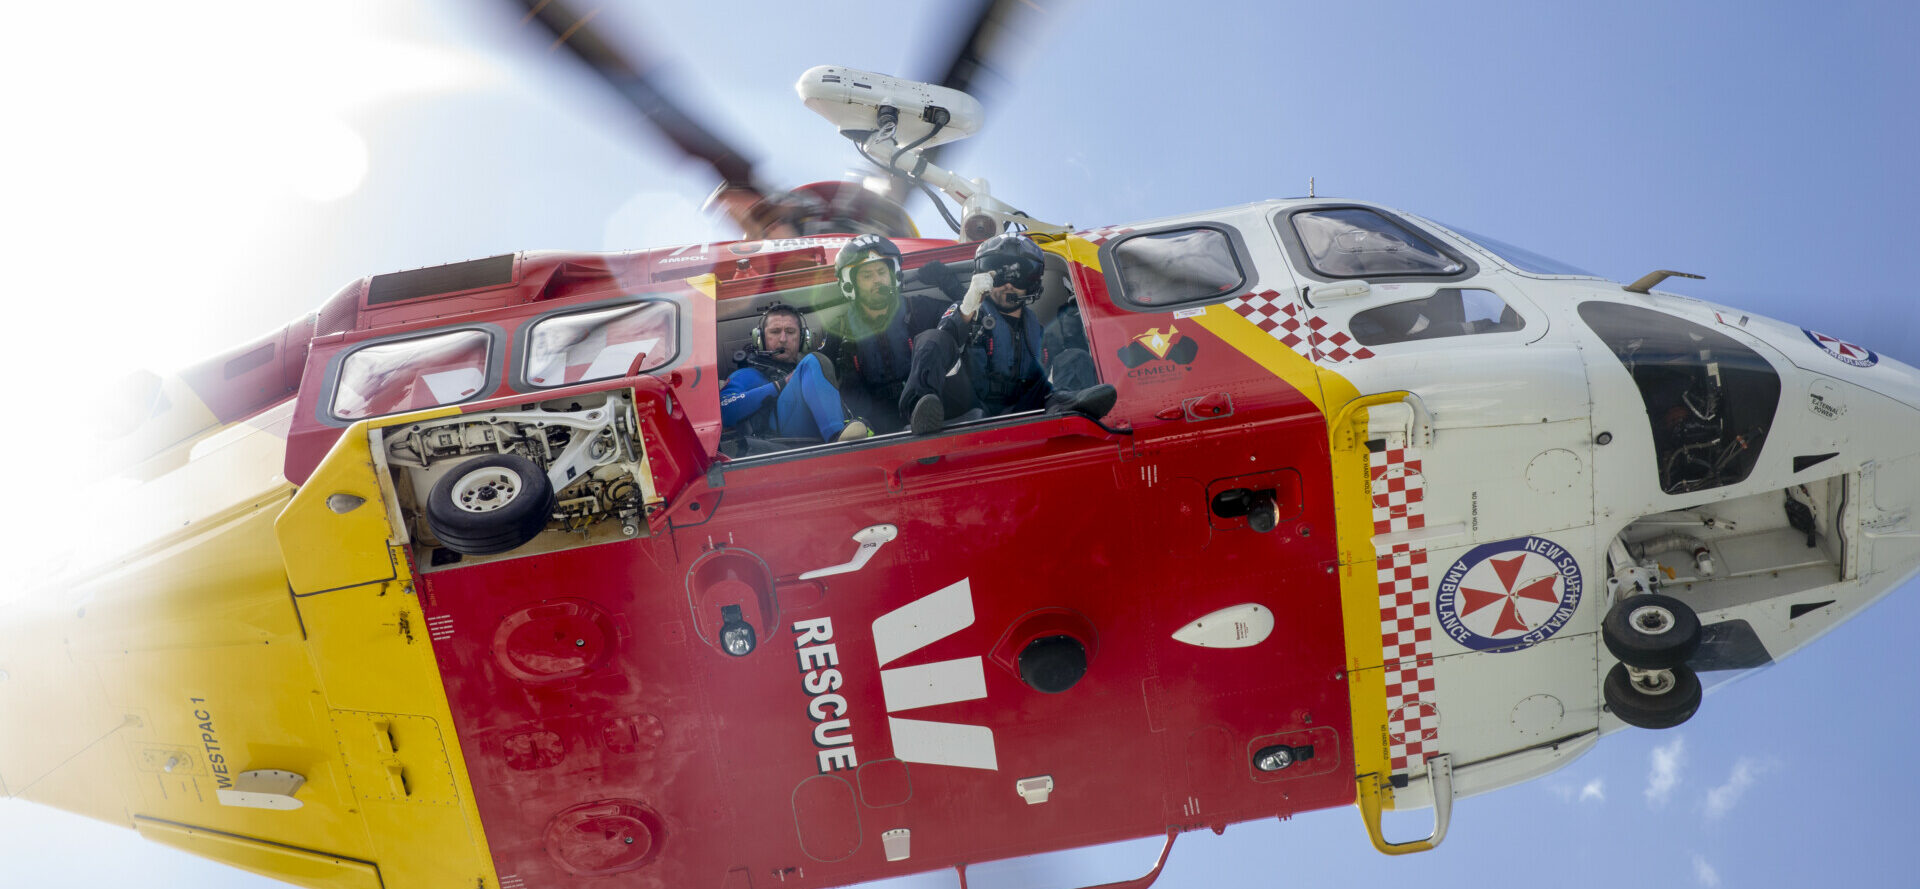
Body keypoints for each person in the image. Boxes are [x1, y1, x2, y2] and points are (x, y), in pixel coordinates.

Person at [901, 233, 1116, 435]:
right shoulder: (968, 310)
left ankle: (1065, 412)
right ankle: (919, 418)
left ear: (1031, 284)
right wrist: (967, 307)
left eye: (1019, 277)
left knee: (1074, 357)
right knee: (933, 339)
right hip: (967, 405)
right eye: (1000, 275)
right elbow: (945, 337)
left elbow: (1054, 369)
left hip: (1021, 408)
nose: (1008, 284)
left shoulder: (1036, 331)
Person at [816, 234, 951, 433]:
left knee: (935, 338)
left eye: (881, 272)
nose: (877, 281)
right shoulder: (839, 329)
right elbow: (817, 375)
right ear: (851, 284)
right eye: (867, 276)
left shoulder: (918, 309)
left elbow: (966, 317)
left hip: (927, 411)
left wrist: (952, 285)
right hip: (874, 428)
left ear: (893, 274)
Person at [720, 304, 869, 445]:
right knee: (814, 359)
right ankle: (837, 438)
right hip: (776, 448)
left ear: (803, 338)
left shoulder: (816, 374)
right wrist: (780, 385)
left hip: (813, 448)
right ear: (760, 339)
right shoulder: (745, 374)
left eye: (790, 332)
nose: (783, 339)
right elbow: (723, 412)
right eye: (775, 332)